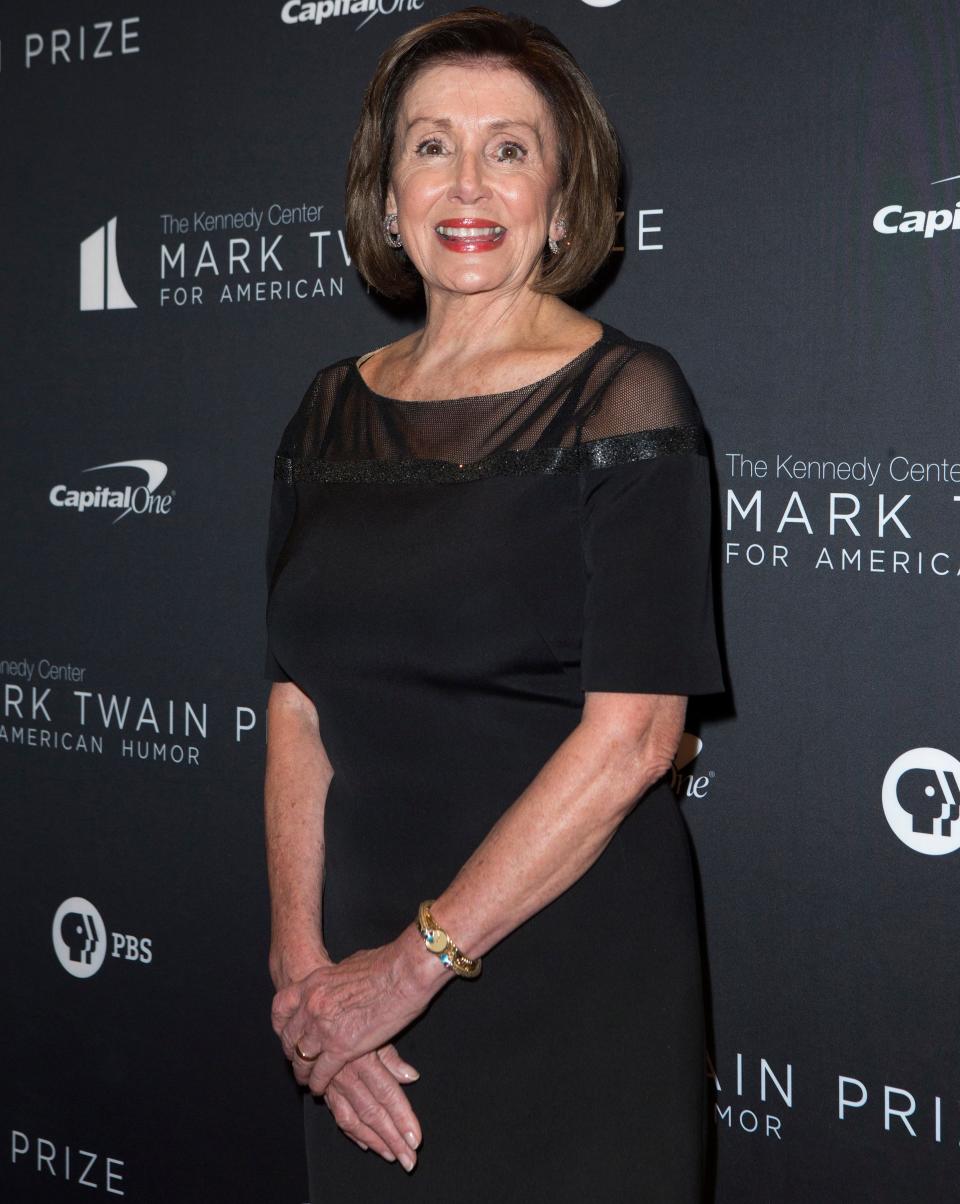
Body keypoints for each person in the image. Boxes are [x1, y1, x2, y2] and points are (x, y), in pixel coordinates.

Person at [262, 7, 725, 1200]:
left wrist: (407, 972)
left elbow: (632, 738)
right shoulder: (324, 414)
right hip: (360, 1008)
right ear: (385, 190)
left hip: (562, 978)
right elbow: (298, 704)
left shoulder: (625, 400)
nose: (468, 184)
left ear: (565, 202)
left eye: (510, 149)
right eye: (431, 145)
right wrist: (306, 973)